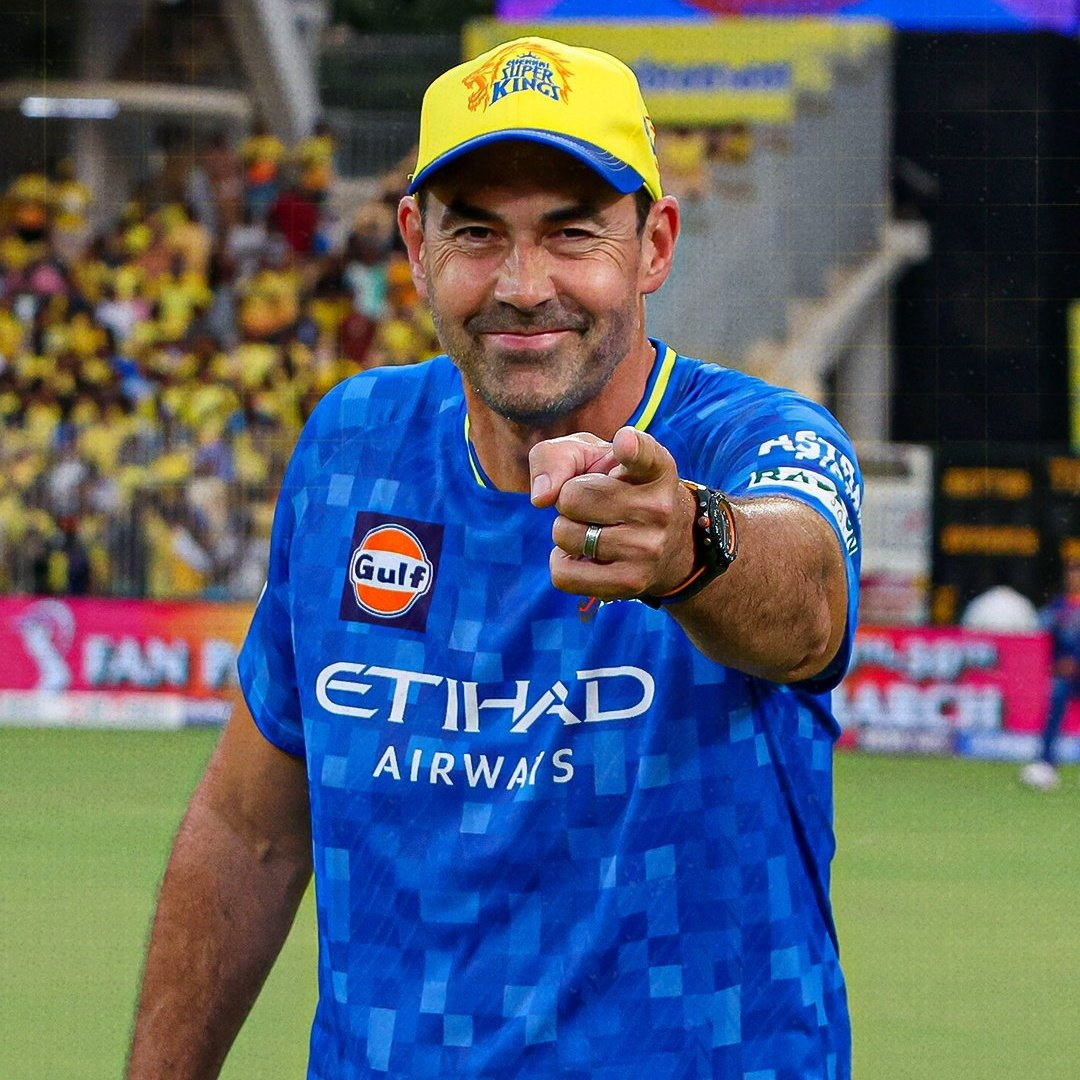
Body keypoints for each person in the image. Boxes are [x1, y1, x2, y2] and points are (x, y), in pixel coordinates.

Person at [126, 37, 863, 1079]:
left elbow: (808, 607)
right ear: (415, 244)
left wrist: (692, 543)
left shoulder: (753, 440)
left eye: (572, 233)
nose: (523, 284)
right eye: (477, 232)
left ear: (654, 245)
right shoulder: (351, 447)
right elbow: (249, 830)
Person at [1020, 558, 1080, 790]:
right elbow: (1038, 627)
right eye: (1071, 573)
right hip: (1064, 675)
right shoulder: (1059, 607)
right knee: (1055, 704)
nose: (1074, 578)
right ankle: (1045, 762)